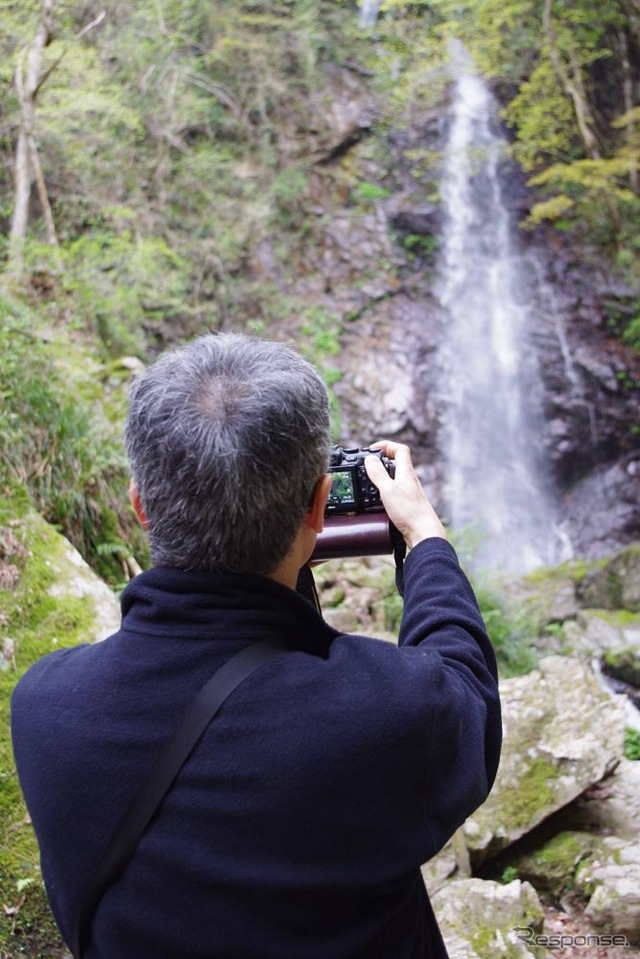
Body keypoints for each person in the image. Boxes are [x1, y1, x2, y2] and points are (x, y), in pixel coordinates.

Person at [11, 332, 502, 959]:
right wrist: (426, 542)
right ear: (321, 505)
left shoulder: (43, 706)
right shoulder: (382, 715)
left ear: (141, 505)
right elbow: (466, 688)